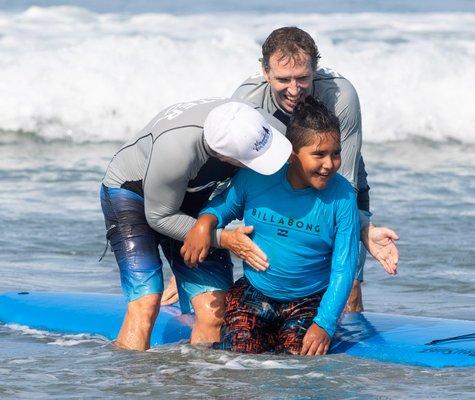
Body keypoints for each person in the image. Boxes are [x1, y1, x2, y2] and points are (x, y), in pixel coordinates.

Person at [100, 98, 292, 350]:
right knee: (146, 301)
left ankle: (199, 386)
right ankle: (132, 386)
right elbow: (159, 217)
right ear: (222, 155)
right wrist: (223, 238)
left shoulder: (256, 125)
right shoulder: (177, 150)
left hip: (192, 197)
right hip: (132, 195)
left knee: (215, 313)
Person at [231, 27, 399, 312]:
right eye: (283, 80)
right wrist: (205, 241)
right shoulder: (246, 103)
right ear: (264, 71)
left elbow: (342, 179)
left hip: (335, 177)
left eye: (303, 78)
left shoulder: (340, 95)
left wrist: (360, 229)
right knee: (278, 266)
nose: (294, 90)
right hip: (275, 183)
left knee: (349, 290)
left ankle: (344, 351)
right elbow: (228, 178)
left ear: (315, 69)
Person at [183, 97, 360, 355]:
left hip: (309, 300)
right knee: (238, 355)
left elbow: (344, 267)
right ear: (292, 156)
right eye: (319, 154)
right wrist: (204, 223)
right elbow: (222, 207)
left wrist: (325, 324)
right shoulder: (257, 177)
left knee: (298, 360)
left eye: (336, 153)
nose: (329, 164)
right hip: (254, 293)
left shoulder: (343, 198)